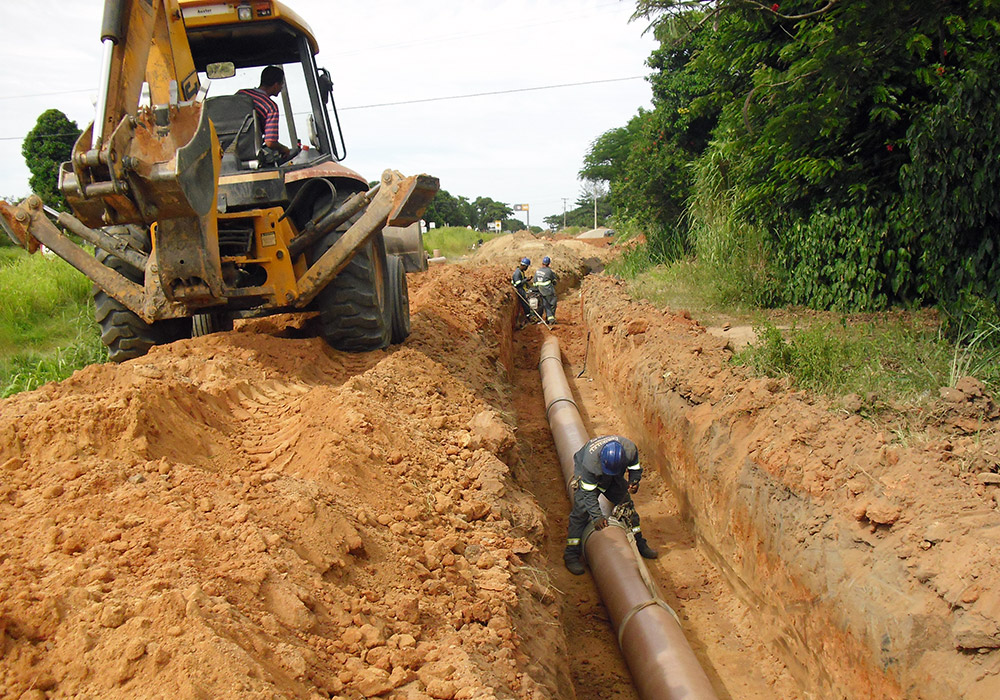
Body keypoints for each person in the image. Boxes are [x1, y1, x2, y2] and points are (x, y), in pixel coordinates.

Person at [563, 435, 658, 575]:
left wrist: (634, 481)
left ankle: (640, 543)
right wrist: (597, 517)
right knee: (581, 513)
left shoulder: (629, 449)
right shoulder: (591, 464)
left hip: (613, 475)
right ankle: (571, 554)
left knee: (627, 507)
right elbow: (589, 494)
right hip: (589, 474)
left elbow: (635, 467)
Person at [237, 65, 292, 163]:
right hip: (250, 153)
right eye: (281, 85)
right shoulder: (270, 106)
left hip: (227, 150)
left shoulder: (241, 94)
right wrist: (284, 149)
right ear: (275, 85)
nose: (281, 88)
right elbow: (270, 142)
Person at [533, 255, 558, 324]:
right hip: (549, 291)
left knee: (545, 304)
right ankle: (551, 319)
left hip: (541, 291)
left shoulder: (537, 271)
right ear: (549, 264)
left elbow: (534, 283)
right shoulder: (549, 271)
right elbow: (554, 281)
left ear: (542, 263)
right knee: (552, 304)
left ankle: (548, 318)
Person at [511, 257, 532, 326]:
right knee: (525, 303)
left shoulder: (521, 272)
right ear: (524, 266)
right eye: (527, 267)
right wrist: (526, 280)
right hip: (519, 289)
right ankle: (528, 316)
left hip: (522, 288)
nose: (527, 268)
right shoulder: (517, 273)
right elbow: (517, 284)